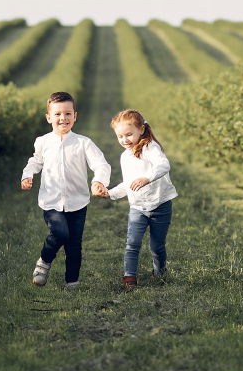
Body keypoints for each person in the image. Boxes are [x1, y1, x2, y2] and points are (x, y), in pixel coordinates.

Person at [21, 91, 110, 289]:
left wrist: (98, 181)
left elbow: (101, 164)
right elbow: (35, 161)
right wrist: (27, 175)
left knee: (74, 244)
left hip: (77, 202)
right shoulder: (43, 142)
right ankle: (44, 262)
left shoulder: (83, 143)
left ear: (75, 116)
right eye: (58, 114)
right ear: (49, 118)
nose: (63, 118)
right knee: (60, 233)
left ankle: (72, 282)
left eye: (68, 113)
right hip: (51, 201)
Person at [100, 109, 177, 292]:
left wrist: (147, 178)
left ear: (141, 130)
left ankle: (160, 273)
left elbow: (163, 165)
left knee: (157, 247)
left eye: (129, 134)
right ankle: (129, 279)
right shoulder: (125, 156)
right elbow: (128, 184)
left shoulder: (150, 148)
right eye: (120, 136)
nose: (125, 140)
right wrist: (110, 193)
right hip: (138, 208)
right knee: (132, 243)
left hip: (160, 204)